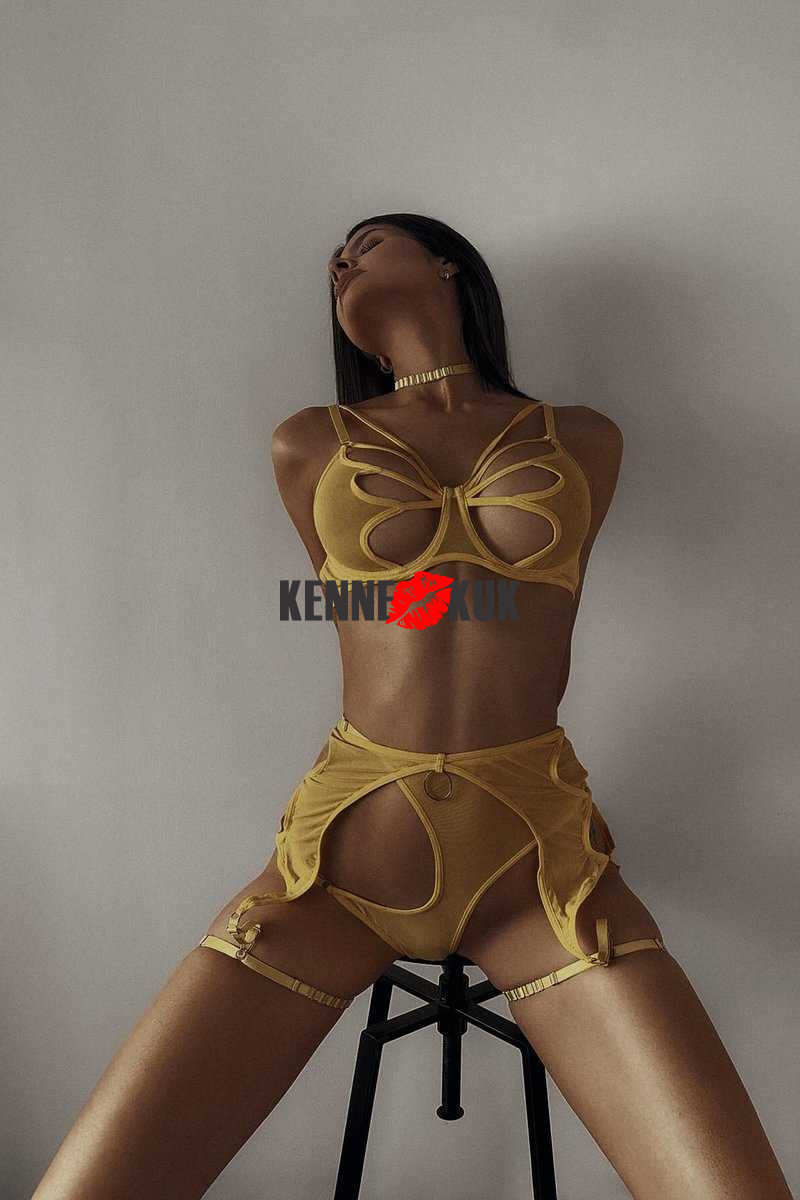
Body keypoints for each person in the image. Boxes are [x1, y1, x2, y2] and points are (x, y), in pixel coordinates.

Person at [32, 213, 794, 1199]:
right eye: (336, 258)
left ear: (444, 262)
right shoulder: (310, 442)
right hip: (342, 863)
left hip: (540, 869)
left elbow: (513, 598)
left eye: (369, 241)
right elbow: (356, 606)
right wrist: (440, 594)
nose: (340, 260)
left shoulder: (581, 438)